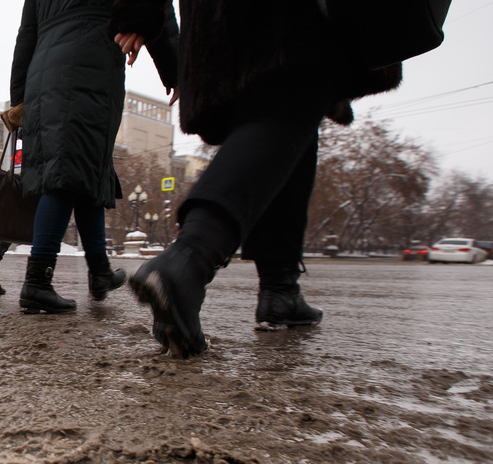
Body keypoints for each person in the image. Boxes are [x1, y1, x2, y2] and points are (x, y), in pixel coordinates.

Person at [113, 0, 402, 356]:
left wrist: (140, 12)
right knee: (298, 81)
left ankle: (280, 291)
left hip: (212, 19)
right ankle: (189, 260)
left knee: (292, 113)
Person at [6, 0, 175, 314]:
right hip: (90, 63)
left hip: (42, 75)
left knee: (85, 169)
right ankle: (37, 283)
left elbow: (25, 37)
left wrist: (20, 98)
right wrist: (175, 68)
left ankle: (100, 272)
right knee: (67, 175)